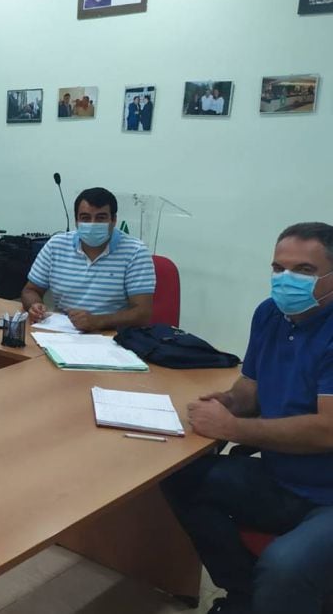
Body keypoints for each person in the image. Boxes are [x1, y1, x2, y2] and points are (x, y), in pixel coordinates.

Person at [161, 222, 333, 614]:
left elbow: (328, 430)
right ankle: (244, 598)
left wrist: (234, 428)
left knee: (284, 567)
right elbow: (250, 387)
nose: (286, 280)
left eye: (304, 271)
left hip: (328, 496)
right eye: (278, 268)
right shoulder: (270, 314)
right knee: (180, 477)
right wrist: (228, 402)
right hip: (281, 479)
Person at [20, 187, 155, 331]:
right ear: (76, 220)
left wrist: (98, 321)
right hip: (62, 332)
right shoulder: (56, 245)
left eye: (101, 218)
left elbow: (143, 314)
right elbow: (30, 290)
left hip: (111, 337)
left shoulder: (135, 252)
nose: (92, 224)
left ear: (114, 220)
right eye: (85, 218)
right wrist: (34, 306)